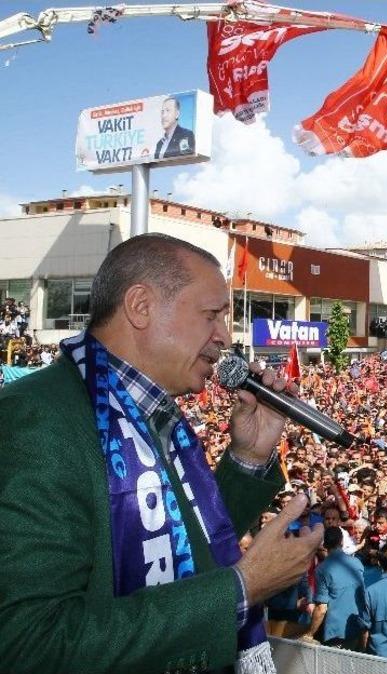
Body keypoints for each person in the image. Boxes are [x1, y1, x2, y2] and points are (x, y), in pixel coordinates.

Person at [0, 233, 323, 673]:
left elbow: (178, 546)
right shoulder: (38, 421)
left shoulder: (148, 412)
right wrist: (241, 589)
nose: (224, 337)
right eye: (211, 315)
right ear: (141, 306)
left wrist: (248, 457)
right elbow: (30, 645)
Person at [304, 526, 367, 649]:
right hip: (357, 627)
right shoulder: (357, 563)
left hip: (336, 632)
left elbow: (321, 608)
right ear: (342, 541)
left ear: (325, 545)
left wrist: (309, 634)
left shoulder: (322, 569)